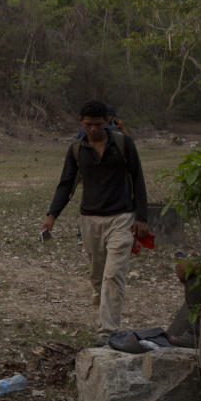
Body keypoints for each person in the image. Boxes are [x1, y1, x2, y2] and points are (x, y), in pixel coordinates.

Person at [41, 99, 149, 347]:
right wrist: (51, 216)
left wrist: (142, 218)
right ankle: (103, 303)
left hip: (122, 218)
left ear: (108, 122)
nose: (93, 129)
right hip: (89, 220)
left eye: (98, 124)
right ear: (81, 123)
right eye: (88, 124)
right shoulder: (77, 149)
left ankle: (107, 331)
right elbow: (66, 184)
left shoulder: (123, 144)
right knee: (98, 275)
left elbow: (138, 179)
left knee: (114, 275)